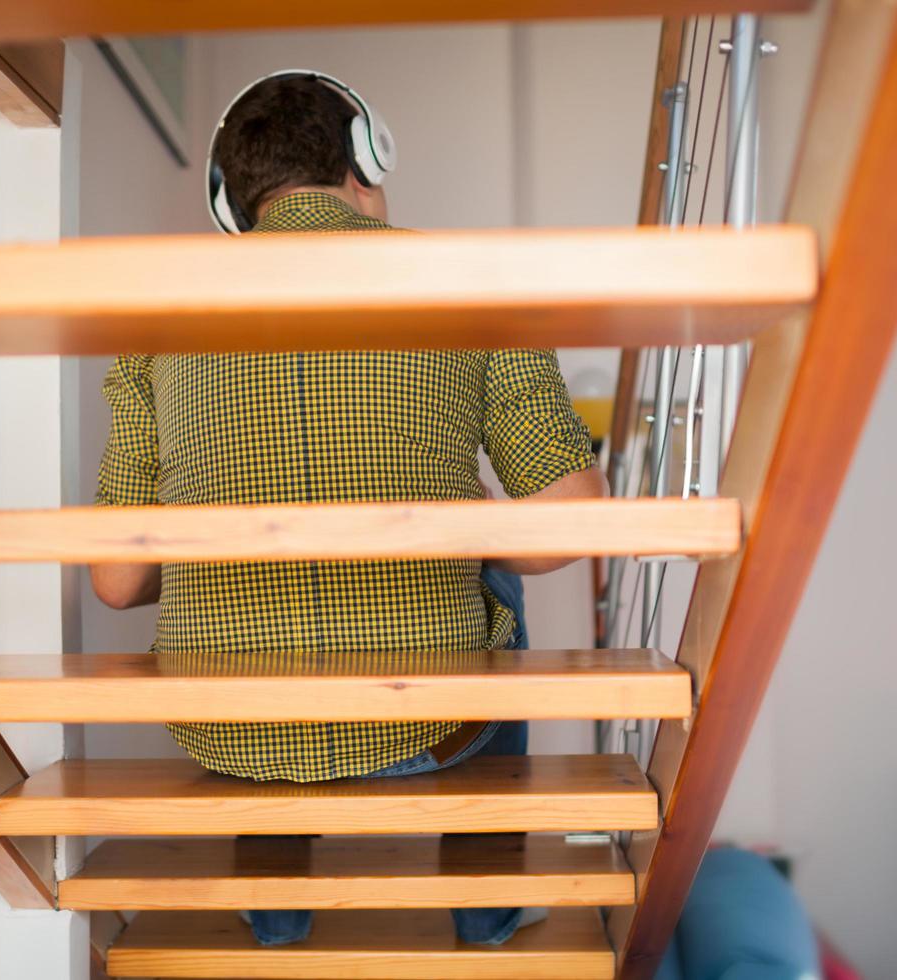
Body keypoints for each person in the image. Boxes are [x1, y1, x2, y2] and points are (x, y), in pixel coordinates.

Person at [89, 70, 607, 948]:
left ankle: (276, 915)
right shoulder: (468, 281)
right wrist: (465, 523)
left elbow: (116, 578)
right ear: (366, 158)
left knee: (238, 618)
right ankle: (487, 912)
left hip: (236, 731)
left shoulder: (159, 315)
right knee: (491, 559)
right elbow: (573, 517)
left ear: (230, 201)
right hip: (429, 722)